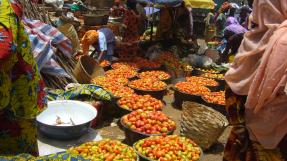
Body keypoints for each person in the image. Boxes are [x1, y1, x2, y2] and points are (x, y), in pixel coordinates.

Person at [224, 0, 287, 160]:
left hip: (245, 140)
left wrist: (239, 124)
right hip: (277, 142)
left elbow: (232, 87)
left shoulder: (251, 40)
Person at [0, 0, 46, 155]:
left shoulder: (3, 7)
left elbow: (4, 49)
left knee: (19, 150)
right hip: (10, 97)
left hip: (15, 97)